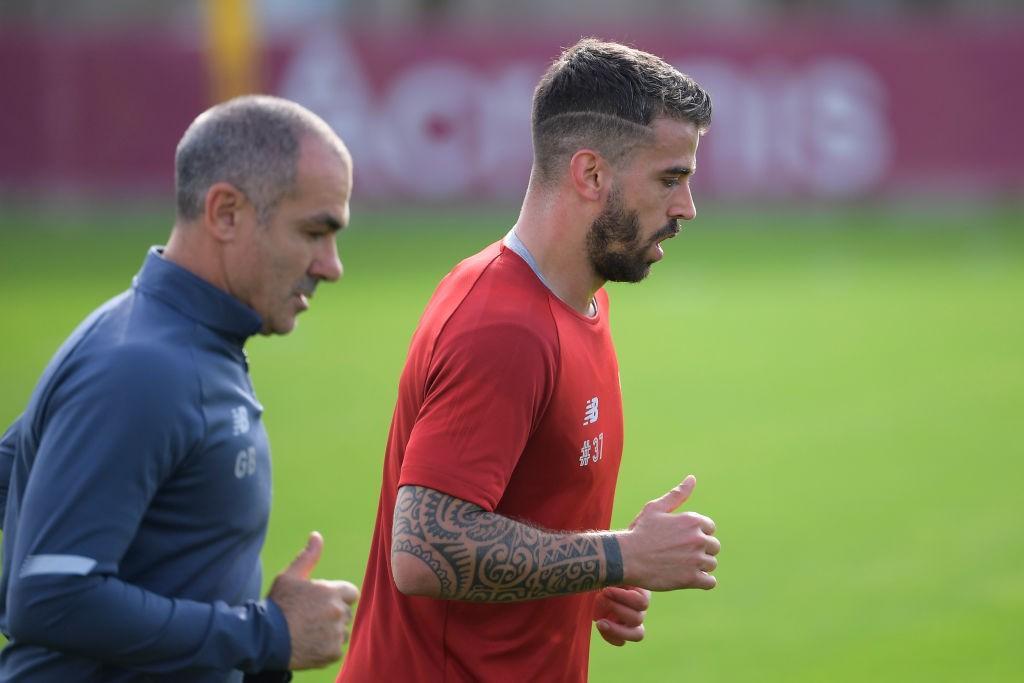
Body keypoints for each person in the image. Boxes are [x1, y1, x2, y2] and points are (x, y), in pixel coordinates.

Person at [337, 38, 720, 683]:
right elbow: (425, 551)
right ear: (591, 174)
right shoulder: (504, 326)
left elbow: (517, 515)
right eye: (669, 178)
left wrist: (586, 585)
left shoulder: (576, 302)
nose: (686, 207)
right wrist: (617, 555)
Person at [0, 95, 360, 682]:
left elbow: (15, 482)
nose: (331, 265)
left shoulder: (172, 343)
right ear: (225, 213)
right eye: (314, 231)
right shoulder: (142, 369)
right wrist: (267, 634)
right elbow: (50, 596)